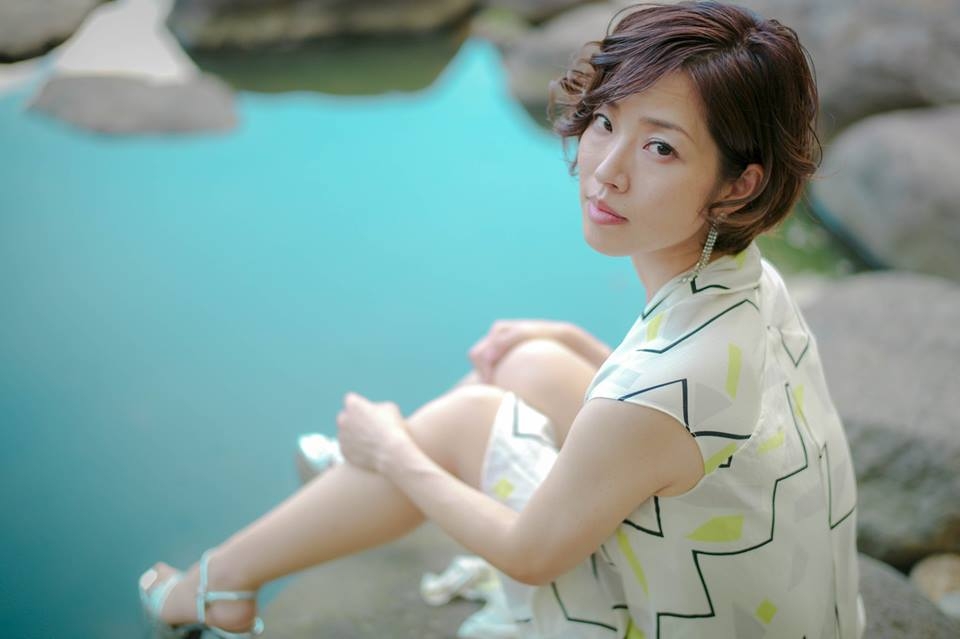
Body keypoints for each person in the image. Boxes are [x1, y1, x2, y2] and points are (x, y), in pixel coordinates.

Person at [138, 1, 865, 637]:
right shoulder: (751, 283)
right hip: (781, 608)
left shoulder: (658, 388)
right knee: (531, 362)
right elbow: (686, 423)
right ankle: (356, 490)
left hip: (678, 621)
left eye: (661, 147)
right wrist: (569, 340)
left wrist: (396, 452)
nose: (606, 168)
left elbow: (530, 553)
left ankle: (222, 579)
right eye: (606, 120)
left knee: (464, 424)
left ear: (739, 184)